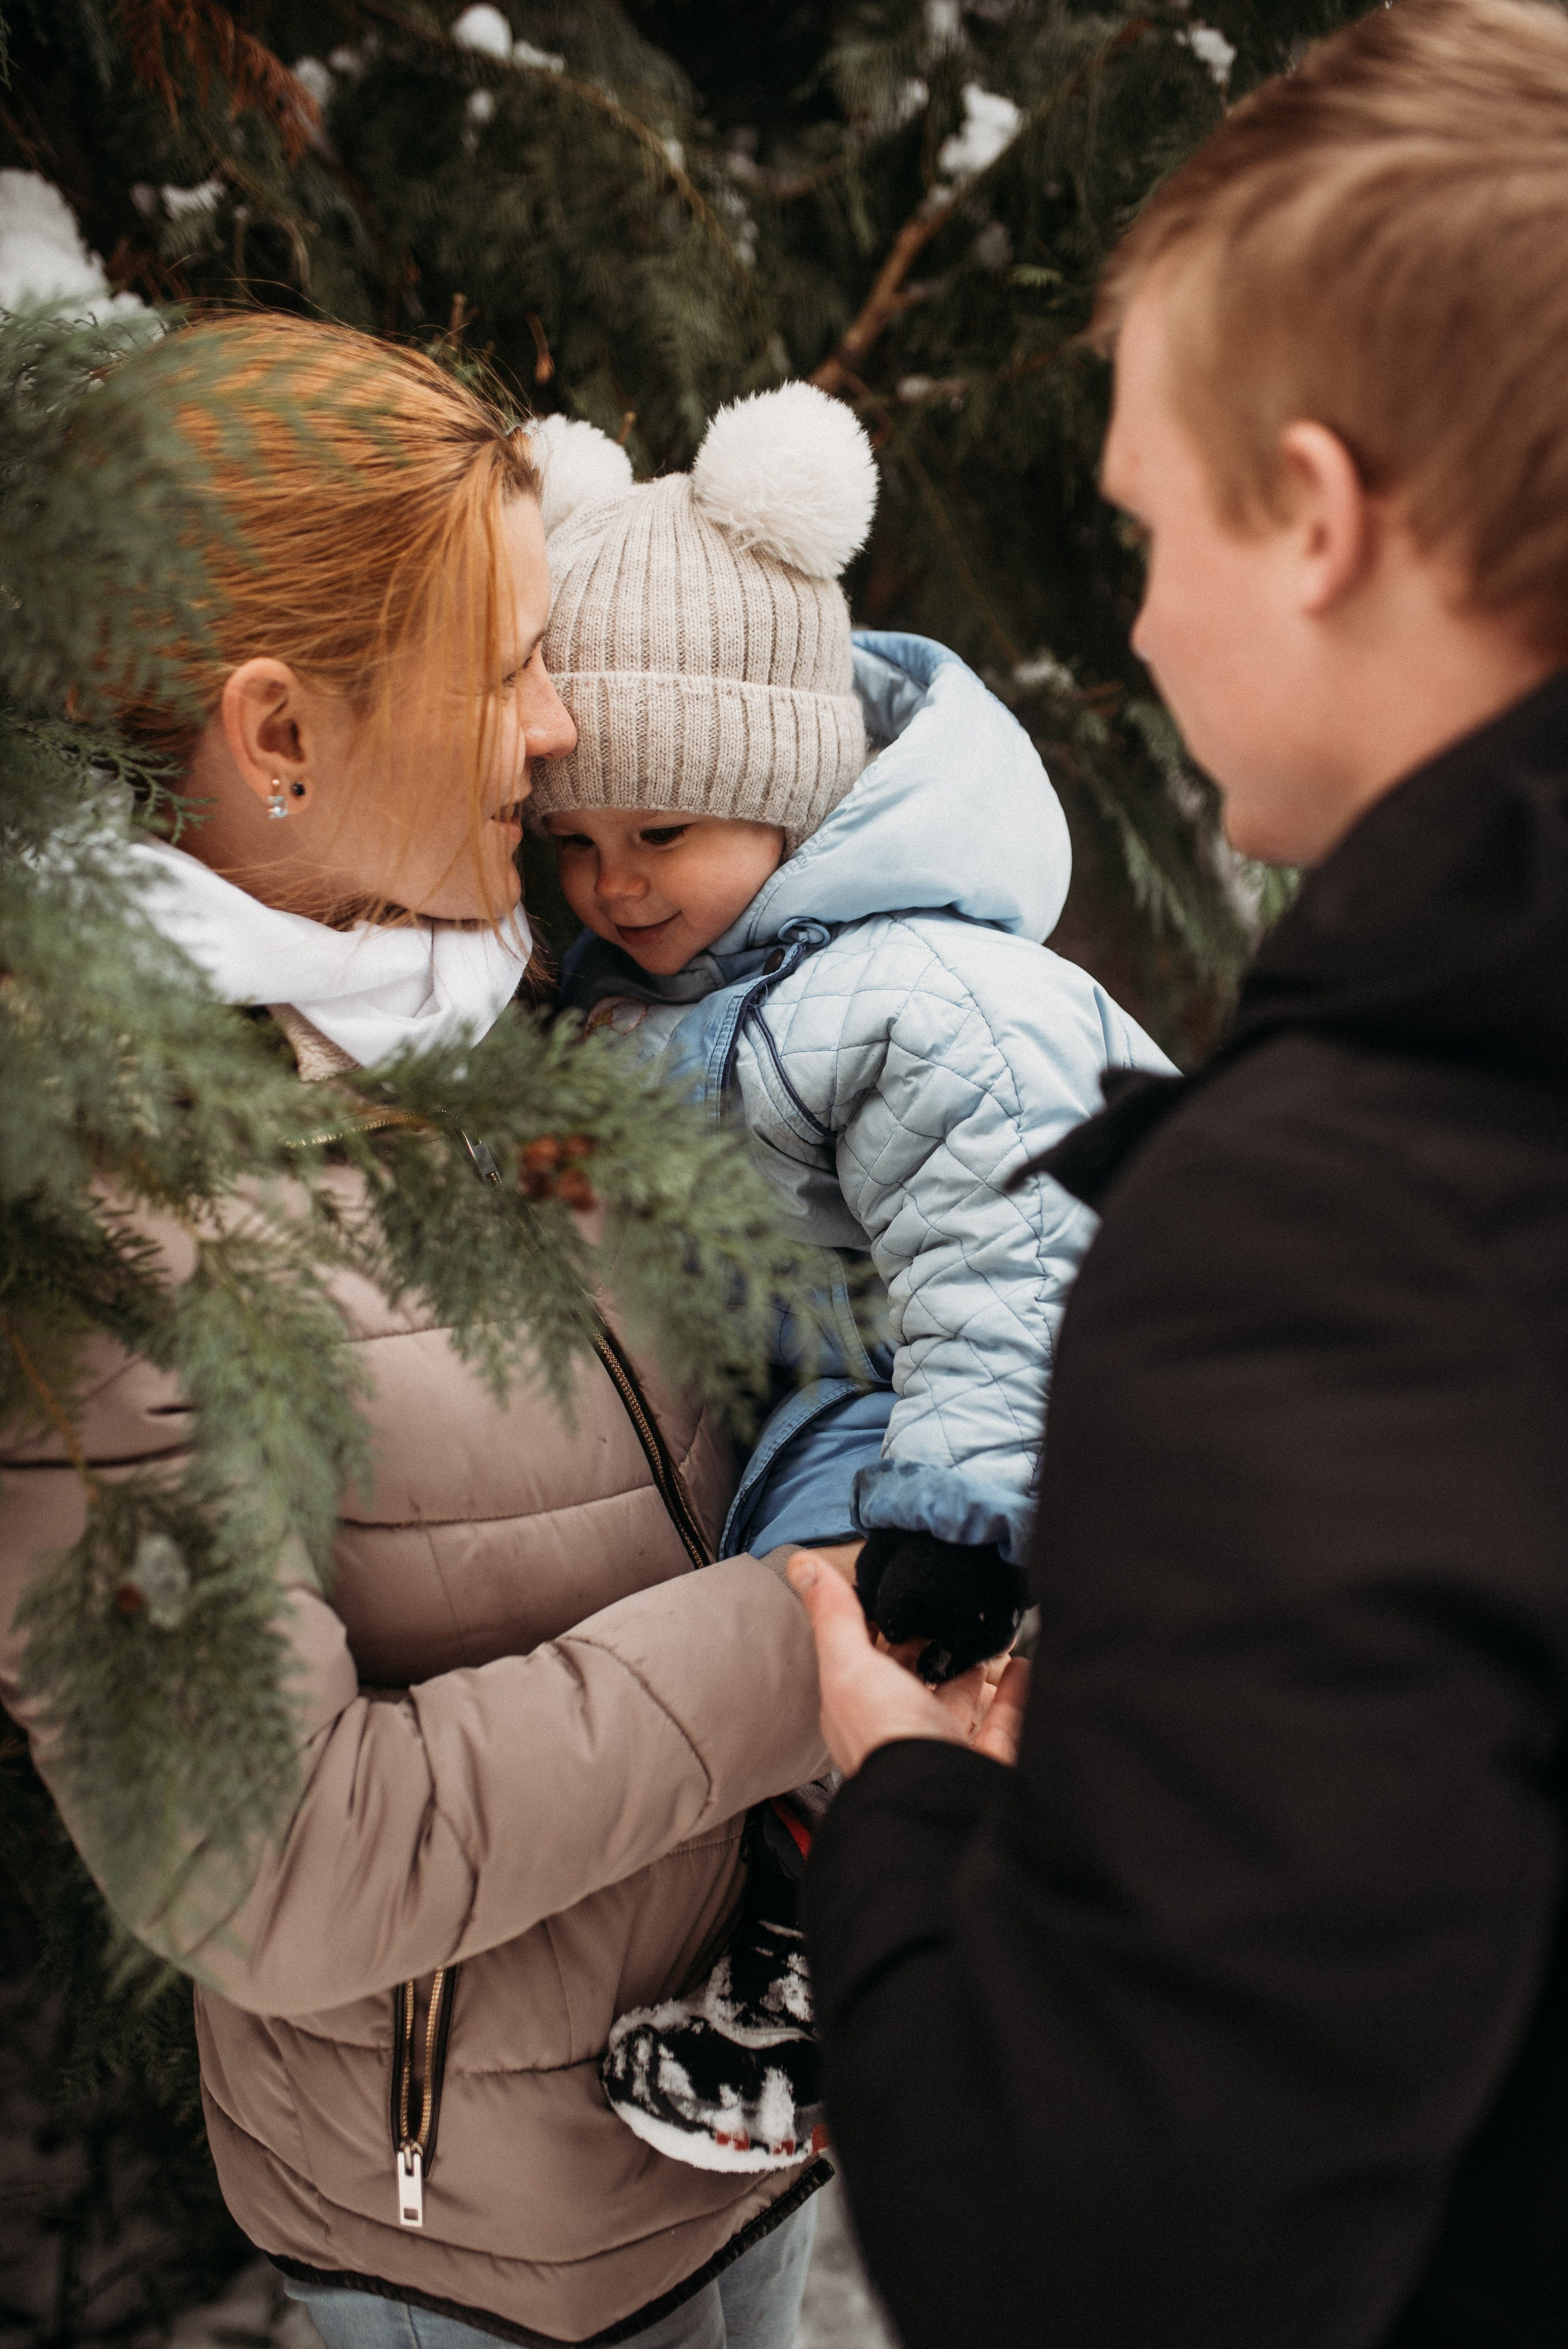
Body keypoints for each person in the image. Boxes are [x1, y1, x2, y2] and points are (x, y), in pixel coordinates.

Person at [788, 2, 1568, 2344]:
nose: (1129, 623)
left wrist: (910, 1821)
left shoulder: (1350, 1227)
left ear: (1317, 514)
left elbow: (1107, 2255)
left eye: (1147, 524)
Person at [0, 314, 835, 2349]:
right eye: (511, 662)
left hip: (729, 2154)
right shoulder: (104, 1221)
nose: (559, 732)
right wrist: (807, 1637)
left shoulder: (494, 996)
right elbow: (272, 1865)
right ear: (277, 735)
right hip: (464, 2255)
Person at [519, 382, 1169, 2171]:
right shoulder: (694, 979)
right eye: (575, 839)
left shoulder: (916, 991)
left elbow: (1014, 1252)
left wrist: (958, 1512)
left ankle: (824, 1982)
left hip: (976, 1418)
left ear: (784, 793)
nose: (614, 881)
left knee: (819, 1592)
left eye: (661, 833)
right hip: (837, 1382)